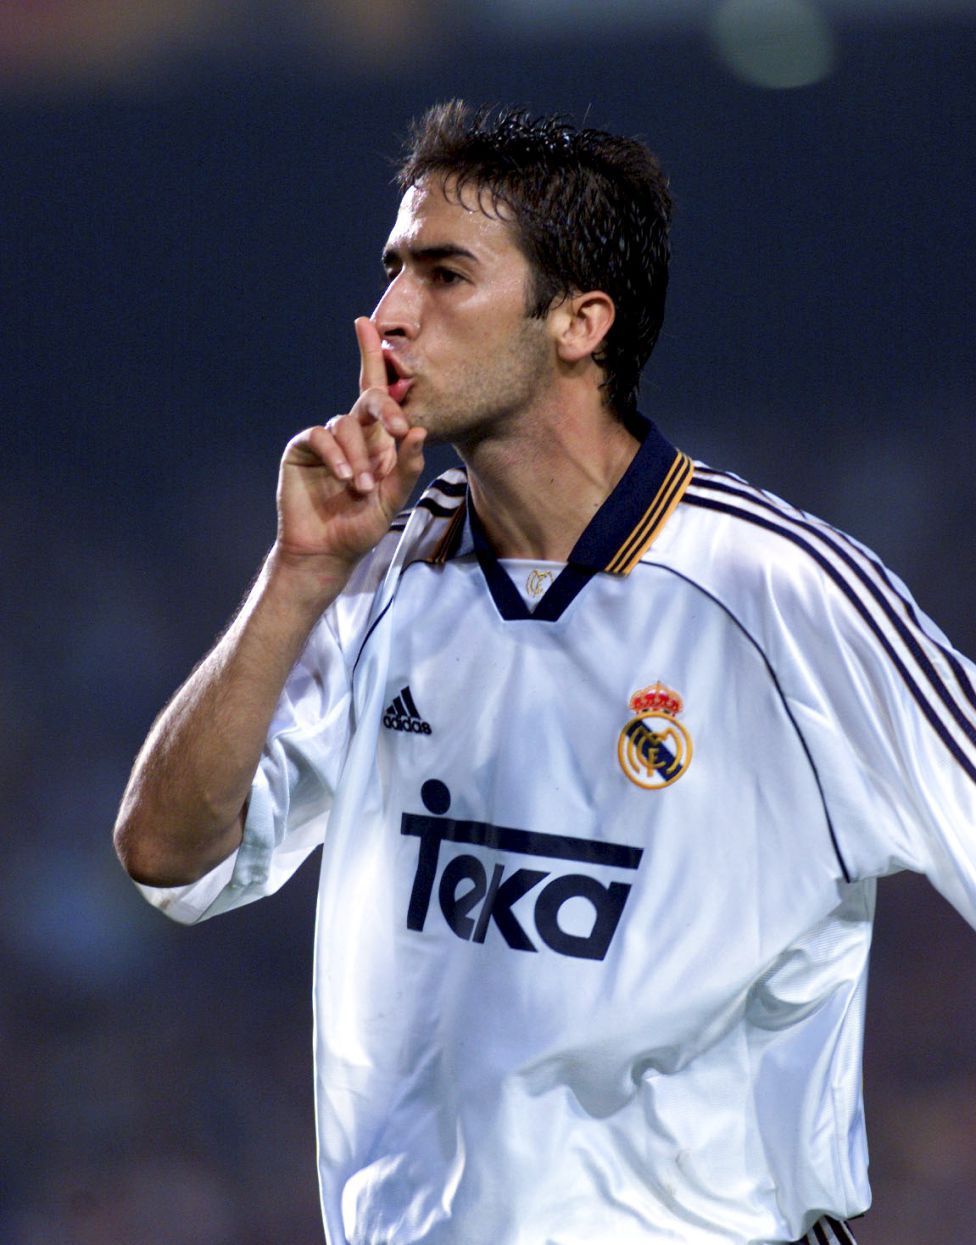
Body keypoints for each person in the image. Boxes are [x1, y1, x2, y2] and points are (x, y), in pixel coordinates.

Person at [113, 101, 976, 1245]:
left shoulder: (778, 592)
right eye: (391, 272)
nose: (388, 316)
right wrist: (297, 573)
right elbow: (165, 855)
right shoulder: (376, 583)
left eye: (444, 274)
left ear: (578, 321)